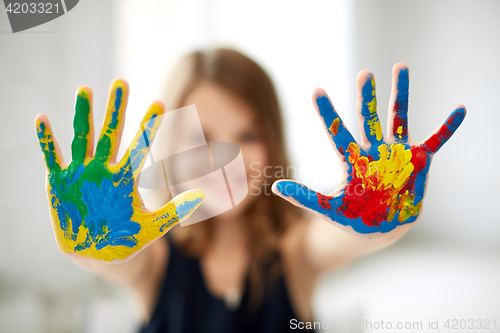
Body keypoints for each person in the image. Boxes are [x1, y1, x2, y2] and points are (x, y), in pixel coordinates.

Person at [34, 48, 466, 333]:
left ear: (273, 140)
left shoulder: (293, 248)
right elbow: (124, 263)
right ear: (167, 146)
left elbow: (329, 240)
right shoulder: (154, 255)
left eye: (248, 135)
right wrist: (94, 250)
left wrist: (370, 224)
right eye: (201, 137)